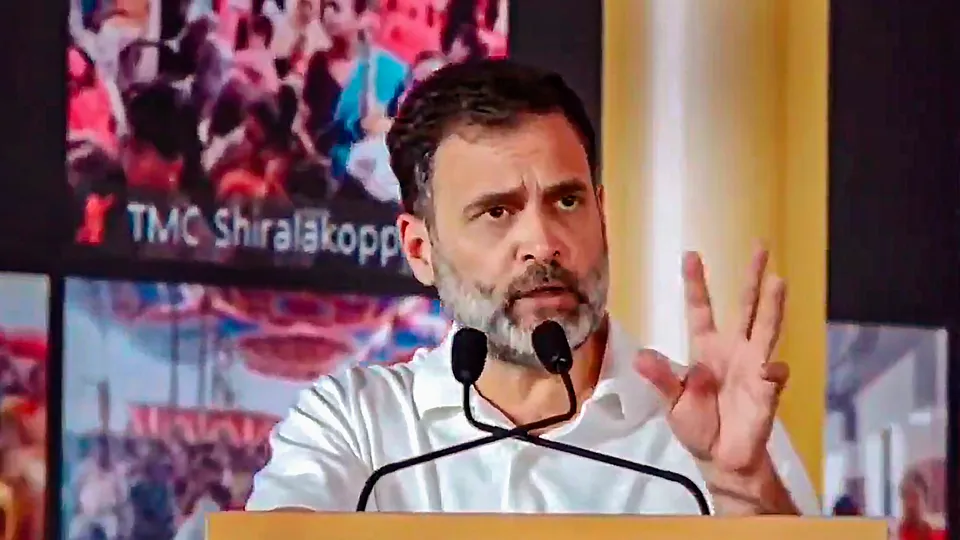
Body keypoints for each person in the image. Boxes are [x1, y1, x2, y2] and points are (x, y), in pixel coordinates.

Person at [246, 58, 819, 514]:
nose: (543, 242)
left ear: (602, 215)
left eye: (566, 201)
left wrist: (742, 487)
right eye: (497, 212)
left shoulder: (714, 432)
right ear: (420, 249)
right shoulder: (356, 424)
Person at [897, 471, 945, 540]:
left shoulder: (938, 533)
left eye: (915, 497)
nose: (910, 504)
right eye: (905, 497)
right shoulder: (896, 533)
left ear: (925, 500)